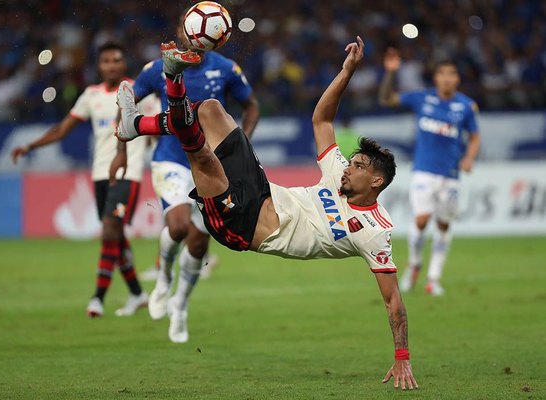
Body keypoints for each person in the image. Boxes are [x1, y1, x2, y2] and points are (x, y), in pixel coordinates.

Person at [116, 37, 419, 390]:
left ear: (377, 180)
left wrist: (402, 357)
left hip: (243, 227)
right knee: (211, 109)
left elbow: (393, 301)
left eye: (359, 166)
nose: (349, 168)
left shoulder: (375, 231)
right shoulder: (338, 173)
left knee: (203, 156)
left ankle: (172, 78)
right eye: (351, 162)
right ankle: (135, 126)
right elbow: (322, 119)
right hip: (260, 189)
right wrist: (347, 71)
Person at [109, 18, 259, 343]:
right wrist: (121, 153)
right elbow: (125, 103)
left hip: (210, 164)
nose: (189, 35)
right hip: (172, 159)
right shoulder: (157, 68)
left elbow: (252, 106)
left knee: (200, 239)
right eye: (184, 29)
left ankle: (180, 305)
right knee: (177, 226)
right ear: (181, 32)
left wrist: (240, 144)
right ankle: (163, 278)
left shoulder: (226, 69)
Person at [12, 42, 149, 317]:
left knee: (110, 232)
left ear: (124, 63)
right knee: (117, 238)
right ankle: (137, 293)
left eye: (117, 60)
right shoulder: (91, 95)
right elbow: (62, 129)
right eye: (106, 61)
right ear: (99, 66)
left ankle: (98, 298)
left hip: (128, 173)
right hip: (99, 173)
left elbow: (155, 127)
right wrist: (30, 146)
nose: (112, 65)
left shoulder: (140, 90)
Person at [378, 48, 481, 296]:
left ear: (457, 79)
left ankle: (433, 278)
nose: (447, 78)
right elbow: (386, 99)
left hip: (451, 175)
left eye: (452, 74)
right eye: (442, 73)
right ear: (435, 78)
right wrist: (391, 73)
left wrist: (468, 157)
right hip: (424, 170)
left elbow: (475, 136)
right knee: (422, 220)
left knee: (444, 225)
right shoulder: (422, 98)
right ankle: (414, 264)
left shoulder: (466, 106)